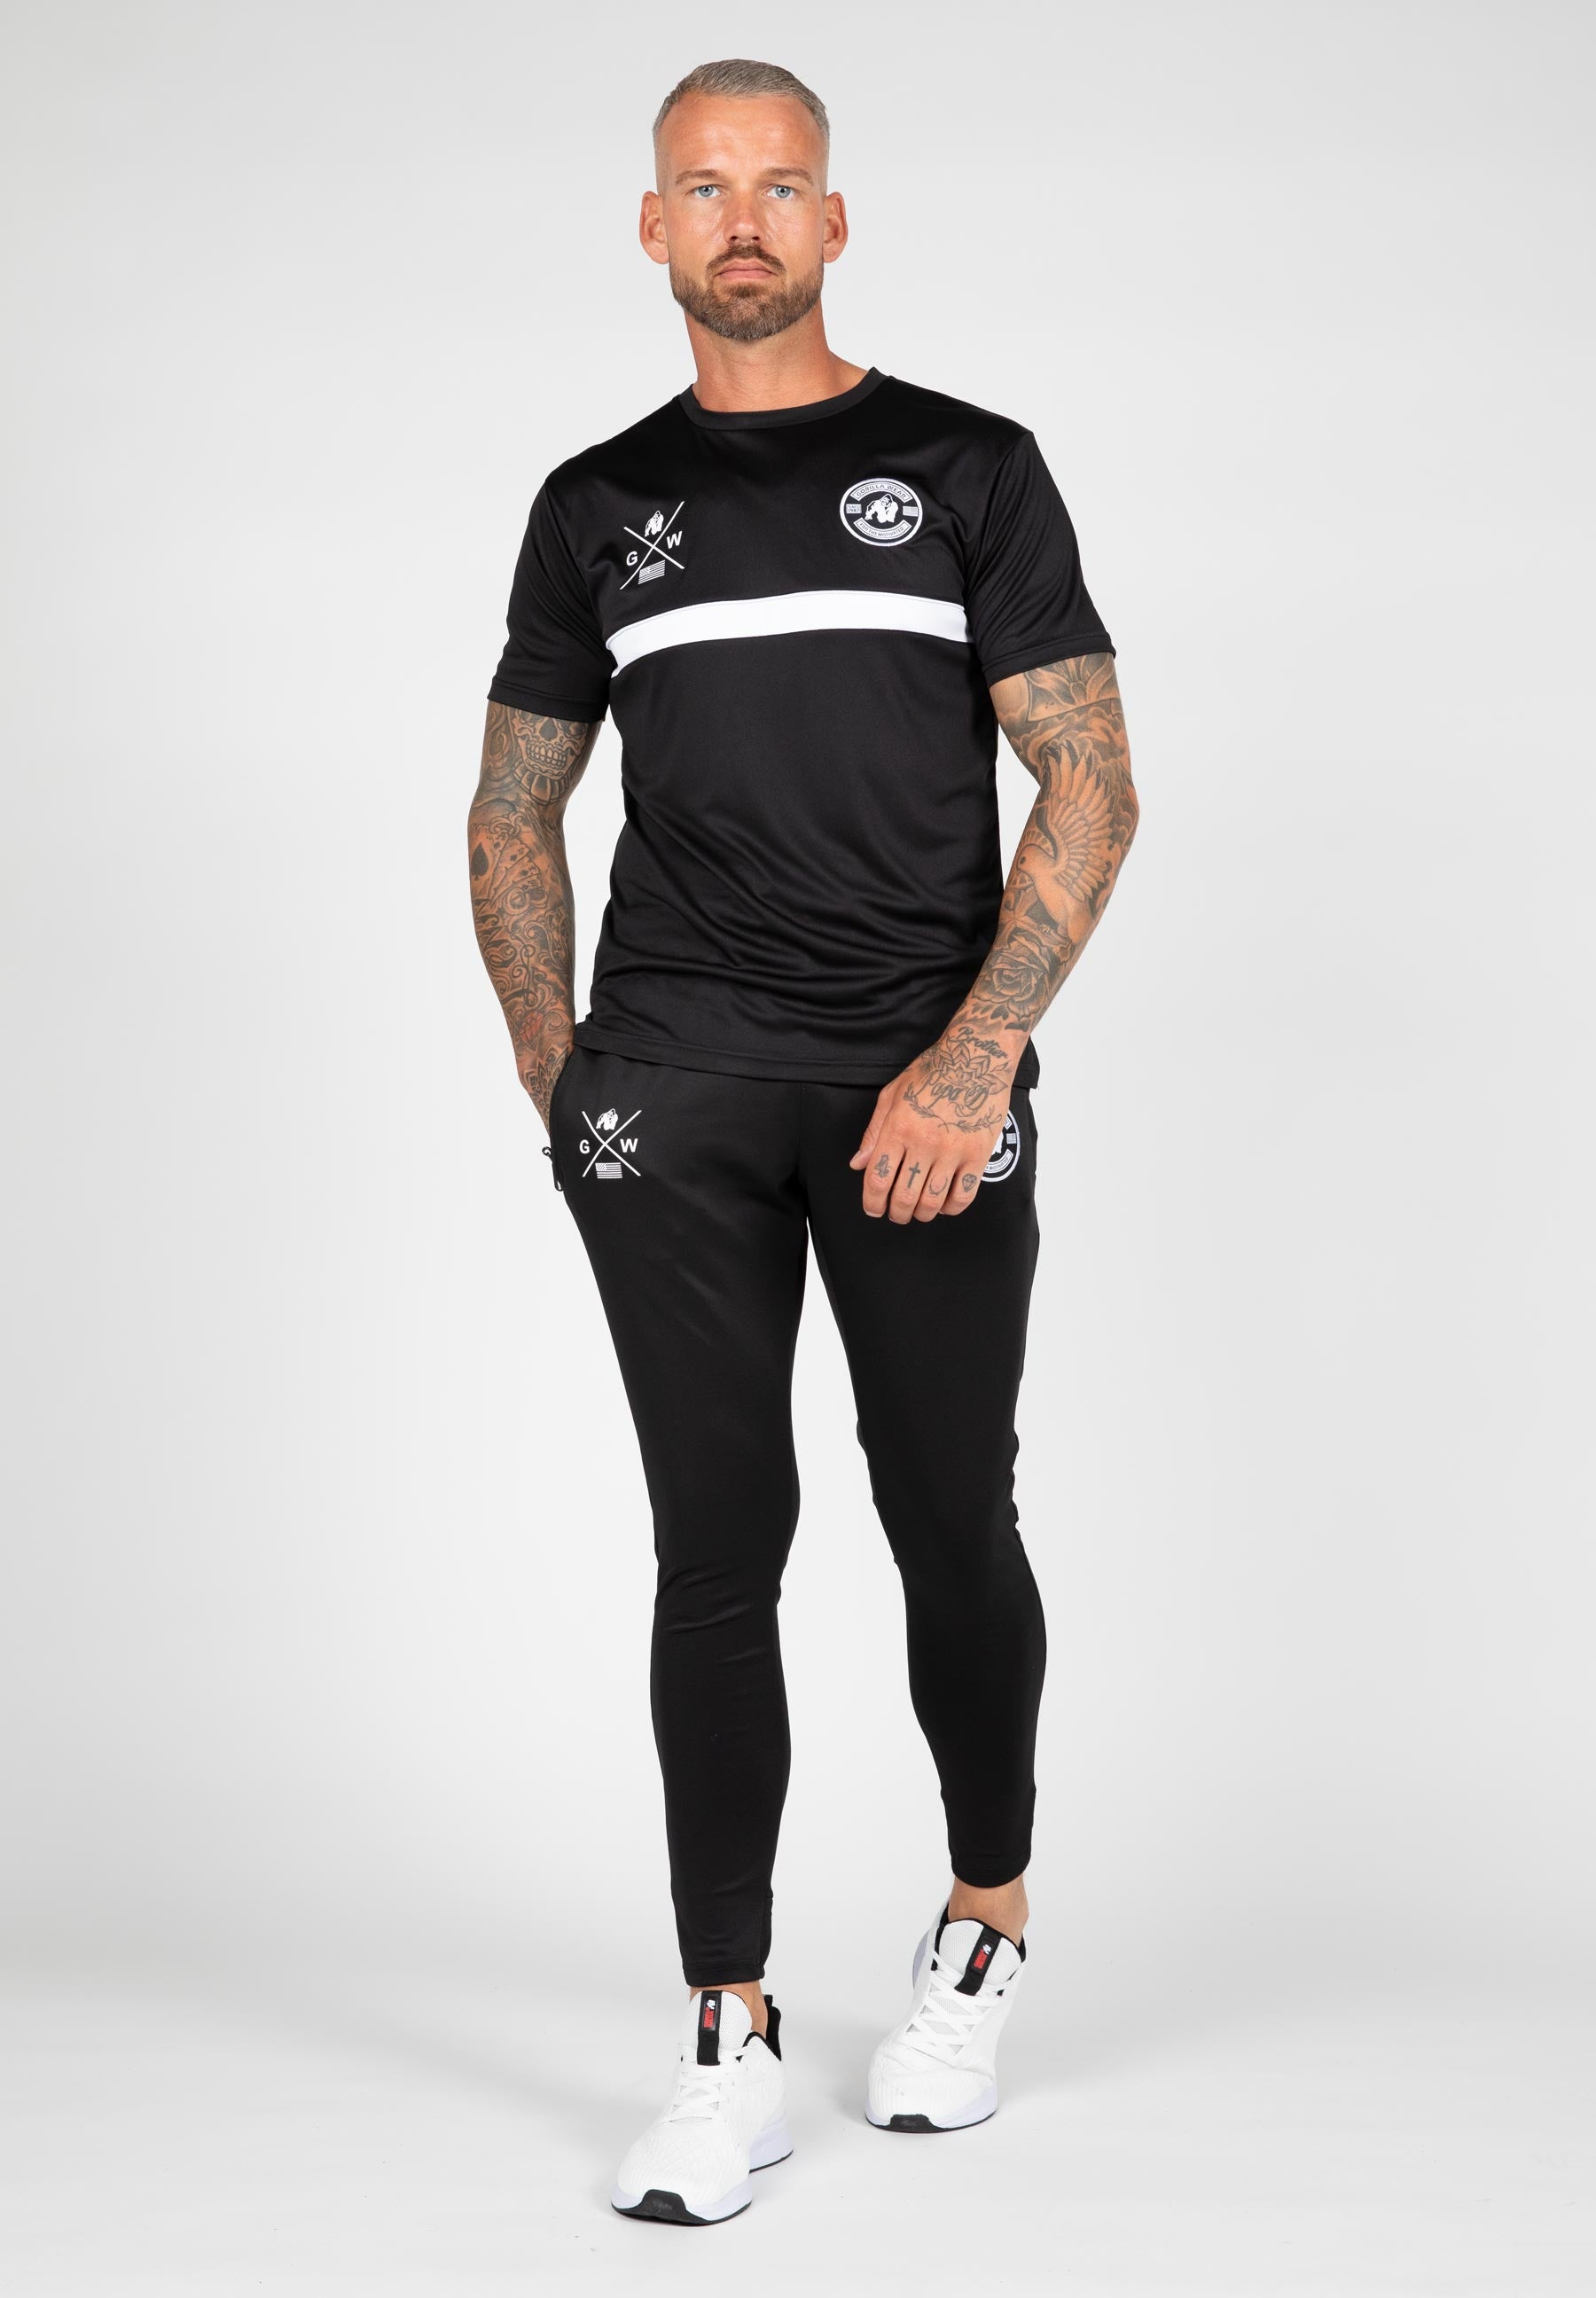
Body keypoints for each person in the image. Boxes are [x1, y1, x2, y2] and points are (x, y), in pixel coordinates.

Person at [468, 56, 1138, 2226]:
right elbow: (514, 805)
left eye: (780, 185)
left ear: (836, 222)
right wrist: (563, 1066)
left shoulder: (966, 468)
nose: (742, 218)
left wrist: (972, 1062)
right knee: (714, 1543)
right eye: (703, 186)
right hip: (672, 1085)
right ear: (652, 227)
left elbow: (1092, 780)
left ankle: (982, 1928)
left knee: (948, 1510)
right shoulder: (596, 505)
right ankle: (729, 2029)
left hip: (915, 1084)